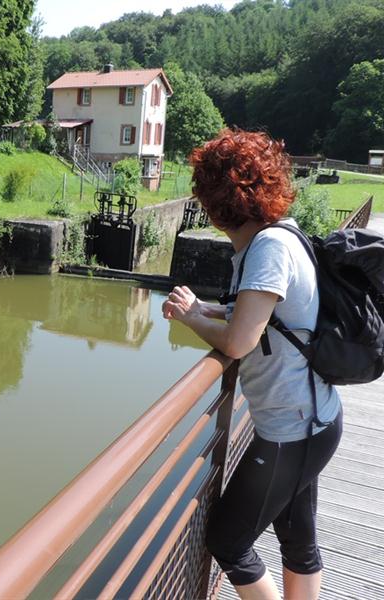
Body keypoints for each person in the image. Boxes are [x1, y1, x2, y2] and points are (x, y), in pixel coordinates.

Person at [162, 129, 342, 600]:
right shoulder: (283, 235)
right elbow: (263, 314)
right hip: (313, 419)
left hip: (293, 428)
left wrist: (189, 320)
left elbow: (241, 341)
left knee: (228, 539)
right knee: (297, 539)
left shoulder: (267, 248)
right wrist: (203, 309)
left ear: (220, 201)